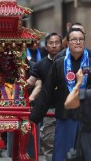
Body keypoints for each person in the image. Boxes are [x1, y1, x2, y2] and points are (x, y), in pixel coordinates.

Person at [29, 28, 91, 161]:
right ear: (67, 43)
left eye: (81, 39)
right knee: (62, 156)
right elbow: (47, 90)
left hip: (87, 118)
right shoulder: (59, 63)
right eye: (74, 39)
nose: (77, 42)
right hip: (65, 117)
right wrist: (34, 117)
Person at [27, 33, 62, 161]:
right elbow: (31, 82)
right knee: (49, 141)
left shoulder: (67, 61)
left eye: (57, 42)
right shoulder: (40, 64)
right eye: (51, 43)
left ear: (61, 44)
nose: (54, 45)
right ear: (46, 46)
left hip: (67, 108)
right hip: (49, 109)